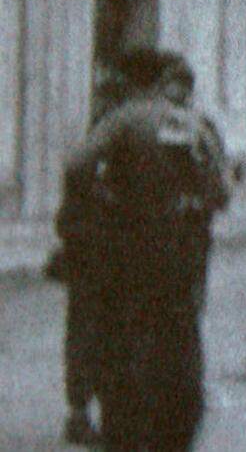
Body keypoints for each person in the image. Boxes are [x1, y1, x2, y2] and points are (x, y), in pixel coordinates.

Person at [69, 48, 228, 450]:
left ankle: (123, 431)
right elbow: (220, 191)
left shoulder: (124, 119)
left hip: (131, 246)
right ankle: (176, 428)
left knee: (123, 334)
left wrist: (100, 204)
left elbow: (77, 166)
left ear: (130, 80)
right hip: (182, 250)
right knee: (179, 334)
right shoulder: (193, 124)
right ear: (162, 80)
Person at [52, 69, 130, 446]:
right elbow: (71, 211)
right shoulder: (94, 151)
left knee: (104, 333)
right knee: (88, 334)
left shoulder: (112, 147)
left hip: (107, 255)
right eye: (107, 100)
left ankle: (96, 411)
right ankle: (80, 414)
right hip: (92, 255)